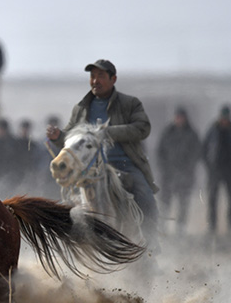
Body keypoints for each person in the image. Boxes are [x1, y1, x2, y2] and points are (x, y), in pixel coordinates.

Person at [46, 59, 159, 244]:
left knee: (145, 195)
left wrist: (108, 133)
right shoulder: (81, 108)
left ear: (113, 79)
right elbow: (71, 139)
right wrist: (58, 137)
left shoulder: (130, 104)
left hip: (125, 164)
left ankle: (151, 246)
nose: (95, 80)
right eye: (92, 76)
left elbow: (142, 128)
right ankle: (69, 245)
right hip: (89, 167)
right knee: (67, 201)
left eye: (100, 76)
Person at [155, 107, 201, 234]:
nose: (179, 119)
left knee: (183, 203)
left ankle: (181, 227)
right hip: (168, 175)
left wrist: (187, 169)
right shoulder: (167, 133)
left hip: (185, 175)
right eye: (177, 117)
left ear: (185, 118)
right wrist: (164, 168)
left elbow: (196, 153)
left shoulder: (192, 134)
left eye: (181, 117)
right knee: (165, 203)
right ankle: (163, 227)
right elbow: (159, 152)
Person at [202, 105, 231, 235]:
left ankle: (230, 225)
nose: (224, 120)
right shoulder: (213, 130)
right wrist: (209, 166)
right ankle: (212, 226)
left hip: (229, 170)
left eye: (226, 117)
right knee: (212, 198)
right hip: (215, 170)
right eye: (223, 117)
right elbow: (204, 149)